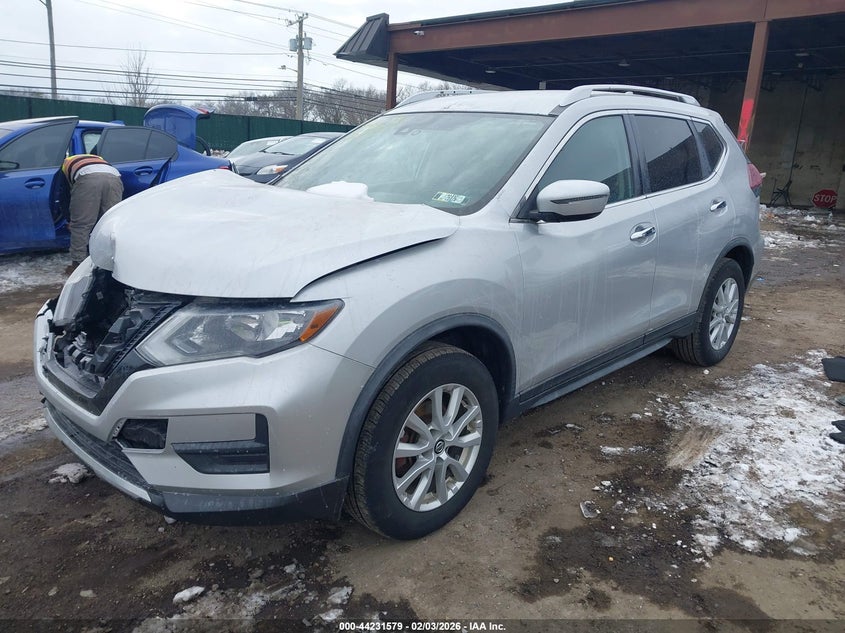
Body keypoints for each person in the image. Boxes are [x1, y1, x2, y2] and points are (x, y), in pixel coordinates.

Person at [61, 154, 123, 274]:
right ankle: (114, 262)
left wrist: (70, 219)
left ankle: (77, 266)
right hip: (114, 177)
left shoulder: (64, 166)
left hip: (87, 179)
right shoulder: (97, 158)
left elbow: (64, 195)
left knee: (81, 225)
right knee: (111, 223)